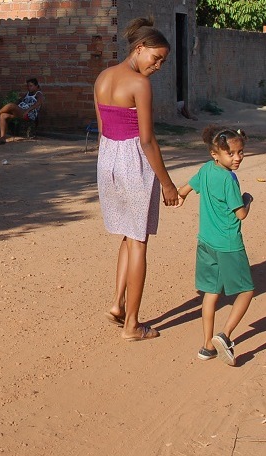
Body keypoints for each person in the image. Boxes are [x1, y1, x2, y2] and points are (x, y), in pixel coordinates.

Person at [94, 17, 181, 341]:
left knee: (127, 236)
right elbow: (147, 140)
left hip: (108, 160)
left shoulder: (103, 77)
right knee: (139, 241)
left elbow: (103, 127)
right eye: (156, 58)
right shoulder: (139, 84)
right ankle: (132, 325)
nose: (158, 66)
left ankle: (117, 306)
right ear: (139, 48)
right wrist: (168, 185)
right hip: (133, 161)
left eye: (162, 61)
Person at [176, 126, 255, 366]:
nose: (238, 158)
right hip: (228, 244)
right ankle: (225, 335)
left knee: (211, 293)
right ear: (215, 154)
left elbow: (184, 190)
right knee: (247, 290)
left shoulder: (206, 170)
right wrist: (247, 200)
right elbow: (240, 214)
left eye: (241, 152)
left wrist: (179, 196)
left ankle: (207, 347)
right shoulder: (229, 179)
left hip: (206, 242)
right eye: (231, 154)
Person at [0, 78, 43, 145]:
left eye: (31, 86)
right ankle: (2, 138)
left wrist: (27, 110)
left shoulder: (38, 94)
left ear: (36, 86)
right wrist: (14, 107)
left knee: (11, 105)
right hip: (20, 112)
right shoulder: (27, 93)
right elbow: (19, 101)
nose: (29, 87)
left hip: (29, 114)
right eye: (28, 86)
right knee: (3, 115)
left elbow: (39, 103)